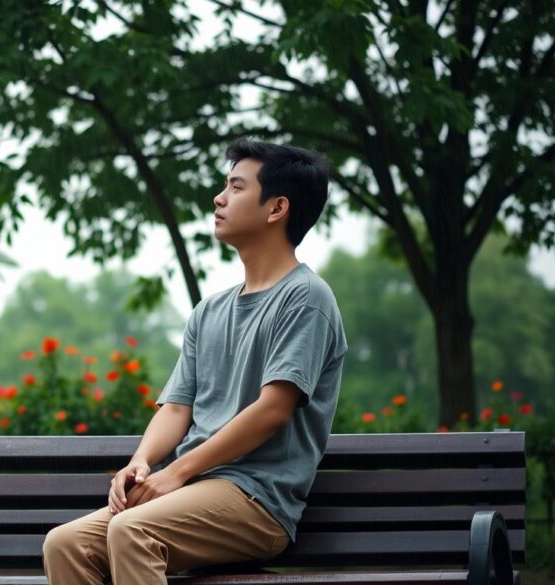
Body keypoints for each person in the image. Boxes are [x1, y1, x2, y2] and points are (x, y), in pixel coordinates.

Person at [42, 138, 348, 585]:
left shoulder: (306, 298)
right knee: (65, 544)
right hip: (192, 491)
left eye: (236, 188)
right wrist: (141, 462)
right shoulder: (210, 311)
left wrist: (177, 472)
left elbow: (273, 410)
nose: (219, 198)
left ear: (277, 208)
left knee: (133, 530)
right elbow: (176, 408)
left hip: (256, 500)